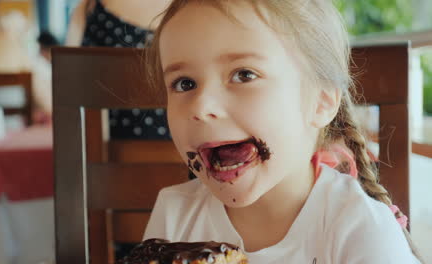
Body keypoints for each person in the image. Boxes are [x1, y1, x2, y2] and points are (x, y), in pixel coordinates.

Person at [141, 0, 424, 263]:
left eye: (244, 75)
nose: (201, 107)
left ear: (321, 101)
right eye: (184, 84)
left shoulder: (360, 228)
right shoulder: (174, 214)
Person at [65, 0, 171, 140]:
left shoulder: (88, 9)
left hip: (104, 152)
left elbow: (65, 91)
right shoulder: (197, 8)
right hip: (192, 151)